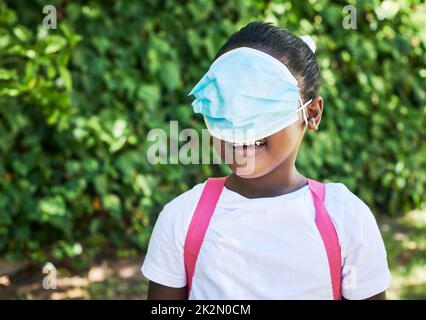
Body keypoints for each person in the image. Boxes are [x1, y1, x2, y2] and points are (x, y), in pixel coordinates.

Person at [141, 22, 391, 300]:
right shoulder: (182, 218)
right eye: (227, 103)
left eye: (262, 102)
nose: (240, 123)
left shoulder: (346, 220)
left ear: (312, 114)